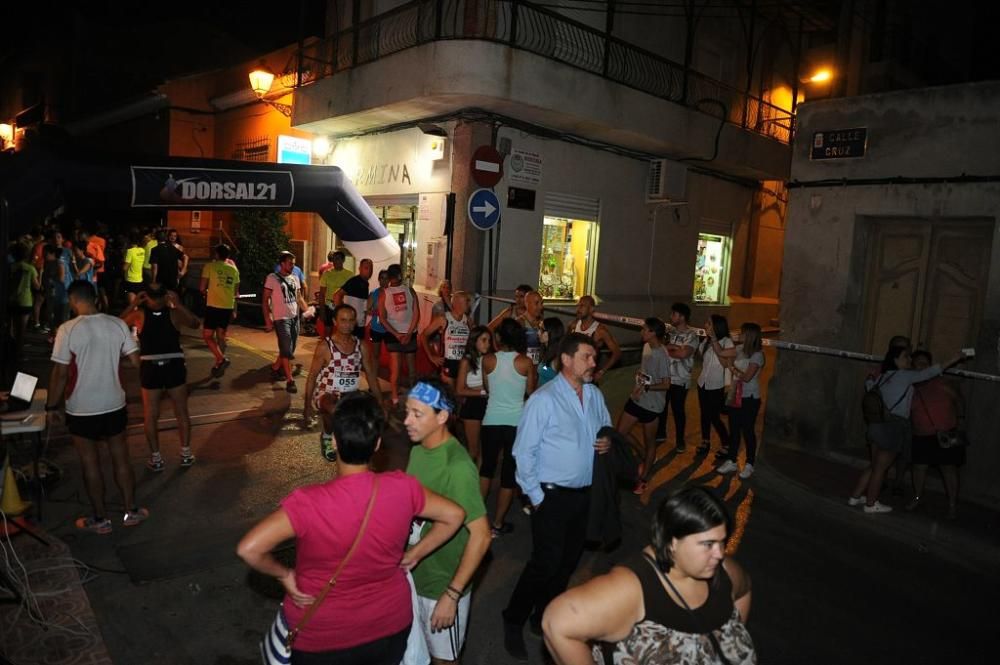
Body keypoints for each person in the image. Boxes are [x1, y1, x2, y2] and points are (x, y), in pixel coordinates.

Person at [237, 392, 466, 665]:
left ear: (334, 441)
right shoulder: (403, 488)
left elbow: (249, 548)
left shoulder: (308, 503)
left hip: (322, 636)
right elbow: (455, 515)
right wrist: (415, 553)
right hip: (389, 626)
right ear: (377, 444)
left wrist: (285, 574)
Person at [543, 487, 756, 665]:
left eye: (722, 542)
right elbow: (557, 623)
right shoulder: (633, 587)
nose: (719, 554)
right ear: (673, 542)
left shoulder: (724, 571)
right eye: (708, 544)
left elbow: (744, 590)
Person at [503, 332, 612, 660]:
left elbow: (606, 428)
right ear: (566, 360)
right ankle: (513, 618)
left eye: (594, 357)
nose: (594, 363)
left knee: (566, 563)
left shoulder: (594, 396)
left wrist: (606, 441)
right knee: (545, 562)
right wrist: (536, 498)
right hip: (550, 497)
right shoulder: (544, 399)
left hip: (584, 496)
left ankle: (543, 617)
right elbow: (523, 452)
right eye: (587, 357)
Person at [45, 280, 148, 533]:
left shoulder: (68, 329)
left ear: (73, 300)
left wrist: (50, 407)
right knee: (121, 459)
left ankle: (100, 520)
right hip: (114, 403)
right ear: (96, 298)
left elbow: (59, 373)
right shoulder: (117, 324)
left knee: (90, 463)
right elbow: (137, 362)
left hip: (81, 408)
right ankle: (130, 511)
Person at [404, 379, 492, 665]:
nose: (407, 421)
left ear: (442, 417)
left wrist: (452, 595)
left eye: (417, 414)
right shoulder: (418, 450)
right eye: (407, 411)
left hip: (441, 585)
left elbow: (482, 536)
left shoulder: (458, 468)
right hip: (414, 577)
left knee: (444, 660)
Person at [848, 346, 967, 513]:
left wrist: (870, 374)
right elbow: (930, 372)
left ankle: (855, 497)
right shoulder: (904, 376)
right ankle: (871, 503)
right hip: (893, 427)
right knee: (881, 469)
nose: (909, 361)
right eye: (906, 357)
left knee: (875, 466)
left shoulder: (883, 377)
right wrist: (954, 358)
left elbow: (869, 386)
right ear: (895, 360)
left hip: (876, 425)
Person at [120, 284, 201, 472]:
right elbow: (196, 323)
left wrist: (132, 304)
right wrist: (178, 304)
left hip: (150, 365)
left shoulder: (139, 314)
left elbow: (116, 324)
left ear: (146, 296)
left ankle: (156, 458)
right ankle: (186, 453)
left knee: (151, 413)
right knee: (181, 410)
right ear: (166, 296)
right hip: (174, 364)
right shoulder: (174, 314)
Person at [304, 304, 383, 462]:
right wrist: (306, 406)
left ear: (355, 322)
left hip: (350, 394)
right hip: (327, 392)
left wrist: (380, 402)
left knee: (363, 414)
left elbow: (371, 376)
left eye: (351, 320)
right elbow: (312, 375)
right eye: (343, 320)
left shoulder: (362, 346)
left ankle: (345, 438)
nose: (347, 324)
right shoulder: (325, 346)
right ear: (335, 321)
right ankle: (327, 436)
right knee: (333, 409)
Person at [481, 318, 536, 537]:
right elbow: (531, 392)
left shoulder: (488, 360)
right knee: (508, 474)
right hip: (515, 423)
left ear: (499, 337)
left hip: (491, 420)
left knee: (486, 468)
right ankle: (497, 524)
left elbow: (487, 387)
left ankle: (477, 518)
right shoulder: (525, 362)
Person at [907, 350, 966, 519]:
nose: (923, 365)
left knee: (949, 468)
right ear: (913, 366)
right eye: (919, 362)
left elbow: (959, 400)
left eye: (926, 362)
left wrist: (960, 420)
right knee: (919, 468)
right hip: (921, 433)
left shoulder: (943, 382)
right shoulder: (911, 385)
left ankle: (952, 504)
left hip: (948, 431)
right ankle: (917, 497)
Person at [617, 317, 671, 495]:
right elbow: (645, 371)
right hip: (637, 398)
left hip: (652, 406)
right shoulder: (647, 346)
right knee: (619, 434)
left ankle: (644, 476)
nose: (641, 332)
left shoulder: (662, 355)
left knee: (650, 442)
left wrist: (648, 386)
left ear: (653, 333)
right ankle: (641, 453)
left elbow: (666, 384)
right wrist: (639, 379)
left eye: (644, 329)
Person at [715, 323, 765, 480]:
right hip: (735, 394)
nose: (740, 335)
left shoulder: (758, 355)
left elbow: (747, 377)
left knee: (748, 431)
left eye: (742, 333)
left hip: (750, 398)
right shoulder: (740, 349)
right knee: (734, 429)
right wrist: (713, 337)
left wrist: (731, 367)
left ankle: (750, 464)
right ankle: (732, 461)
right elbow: (722, 352)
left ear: (749, 335)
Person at [263, 251, 312, 394]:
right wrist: (268, 318)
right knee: (286, 348)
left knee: (290, 347)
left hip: (294, 318)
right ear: (282, 263)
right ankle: (290, 380)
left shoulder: (295, 278)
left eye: (294, 264)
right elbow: (265, 300)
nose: (292, 266)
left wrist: (307, 311)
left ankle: (275, 368)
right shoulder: (272, 278)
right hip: (281, 318)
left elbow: (299, 298)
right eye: (290, 263)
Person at [656, 302, 699, 452]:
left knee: (678, 410)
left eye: (673, 314)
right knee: (661, 407)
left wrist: (670, 349)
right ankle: (660, 433)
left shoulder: (692, 335)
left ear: (682, 317)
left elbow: (684, 354)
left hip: (680, 379)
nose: (671, 316)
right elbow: (659, 348)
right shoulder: (670, 332)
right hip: (665, 377)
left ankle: (680, 440)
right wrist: (673, 348)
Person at [378, 263, 420, 404]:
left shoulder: (385, 293)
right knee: (410, 369)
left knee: (396, 369)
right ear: (399, 275)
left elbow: (382, 318)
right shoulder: (408, 290)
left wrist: (398, 334)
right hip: (405, 333)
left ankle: (395, 397)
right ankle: (409, 397)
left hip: (396, 334)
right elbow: (416, 314)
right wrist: (406, 334)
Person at [200, 244, 240, 377]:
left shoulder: (209, 267)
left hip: (213, 306)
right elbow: (235, 292)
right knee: (221, 336)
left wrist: (208, 292)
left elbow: (202, 288)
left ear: (216, 254)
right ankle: (218, 363)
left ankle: (220, 359)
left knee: (207, 336)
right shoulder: (234, 270)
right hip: (227, 307)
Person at [696, 315, 734, 457]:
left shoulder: (727, 342)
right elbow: (701, 358)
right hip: (702, 383)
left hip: (716, 385)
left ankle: (726, 443)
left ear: (717, 326)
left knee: (714, 416)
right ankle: (705, 441)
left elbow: (726, 364)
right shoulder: (705, 341)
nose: (705, 325)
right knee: (704, 414)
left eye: (709, 323)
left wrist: (714, 341)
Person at [456, 326, 493, 464]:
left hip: (489, 404)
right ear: (474, 341)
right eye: (483, 340)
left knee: (486, 450)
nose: (487, 344)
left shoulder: (490, 359)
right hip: (473, 405)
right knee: (473, 450)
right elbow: (459, 390)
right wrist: (483, 391)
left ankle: (480, 483)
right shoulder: (467, 361)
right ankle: (468, 480)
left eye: (489, 340)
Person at [421, 291, 471, 386]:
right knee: (449, 395)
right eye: (466, 302)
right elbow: (423, 335)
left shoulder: (468, 320)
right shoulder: (443, 319)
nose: (460, 306)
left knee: (461, 395)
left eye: (465, 302)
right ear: (455, 303)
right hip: (448, 362)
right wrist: (431, 357)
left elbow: (476, 336)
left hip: (464, 362)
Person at [572, 295, 622, 382]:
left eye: (582, 306)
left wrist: (601, 371)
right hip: (572, 374)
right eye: (578, 305)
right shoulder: (573, 325)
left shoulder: (600, 330)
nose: (578, 309)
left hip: (586, 378)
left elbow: (617, 353)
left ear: (591, 309)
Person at [8, 243, 40, 362]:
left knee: (11, 328)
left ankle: (10, 352)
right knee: (21, 331)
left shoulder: (10, 267)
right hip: (25, 301)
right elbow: (37, 286)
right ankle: (18, 354)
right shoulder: (30, 268)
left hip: (11, 300)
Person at [332, 258, 373, 339]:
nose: (369, 271)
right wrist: (341, 314)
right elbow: (337, 295)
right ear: (360, 269)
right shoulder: (355, 281)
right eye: (366, 268)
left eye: (371, 268)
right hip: (352, 324)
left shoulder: (365, 283)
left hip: (359, 323)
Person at [318, 250, 352, 323]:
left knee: (342, 328)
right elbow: (322, 294)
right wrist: (322, 310)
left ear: (343, 260)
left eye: (338, 259)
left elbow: (353, 293)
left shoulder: (350, 275)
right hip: (329, 305)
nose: (335, 261)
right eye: (334, 259)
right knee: (328, 330)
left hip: (343, 306)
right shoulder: (326, 274)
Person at [367, 268, 390, 369]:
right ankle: (374, 378)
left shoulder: (393, 293)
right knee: (375, 354)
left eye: (386, 278)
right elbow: (367, 310)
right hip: (376, 328)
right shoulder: (374, 293)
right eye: (382, 278)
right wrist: (377, 312)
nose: (384, 281)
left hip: (390, 328)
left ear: (389, 280)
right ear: (379, 279)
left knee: (393, 355)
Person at [517, 291, 546, 366]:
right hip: (524, 366)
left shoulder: (541, 323)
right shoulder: (520, 323)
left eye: (541, 303)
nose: (540, 307)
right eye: (536, 303)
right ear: (527, 304)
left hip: (536, 366)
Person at [537, 317, 565, 387]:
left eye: (542, 330)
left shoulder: (557, 358)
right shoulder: (545, 351)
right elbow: (545, 368)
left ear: (553, 332)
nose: (538, 332)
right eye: (539, 328)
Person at [123, 233, 146, 306]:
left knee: (132, 305)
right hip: (139, 279)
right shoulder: (142, 250)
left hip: (131, 280)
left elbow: (125, 267)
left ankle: (134, 316)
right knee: (136, 303)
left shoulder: (130, 251)